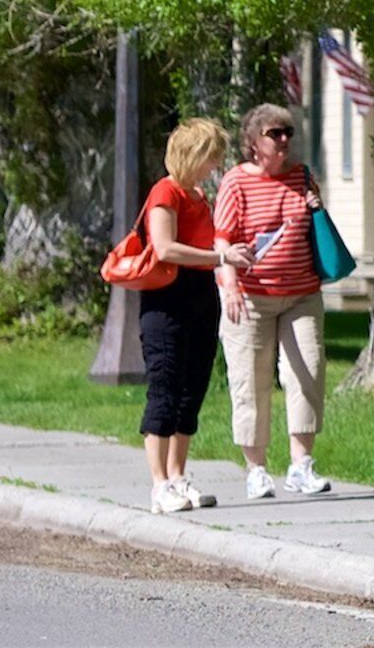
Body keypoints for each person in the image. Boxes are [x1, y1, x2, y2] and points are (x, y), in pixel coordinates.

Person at [213, 101, 335, 499]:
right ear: (254, 142)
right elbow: (223, 239)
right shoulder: (236, 182)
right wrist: (229, 285)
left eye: (288, 133)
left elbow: (312, 223)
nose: (284, 140)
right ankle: (256, 469)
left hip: (301, 293)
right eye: (274, 133)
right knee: (251, 378)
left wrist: (315, 204)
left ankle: (301, 466)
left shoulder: (301, 177)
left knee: (308, 372)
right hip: (250, 296)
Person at [136, 117, 251, 513]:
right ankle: (159, 485)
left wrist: (233, 256)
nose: (214, 167)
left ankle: (179, 475)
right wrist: (221, 257)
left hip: (201, 294)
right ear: (192, 155)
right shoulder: (165, 192)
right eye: (210, 158)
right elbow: (166, 248)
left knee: (192, 390)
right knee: (165, 389)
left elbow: (207, 243)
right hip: (167, 298)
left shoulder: (199, 196)